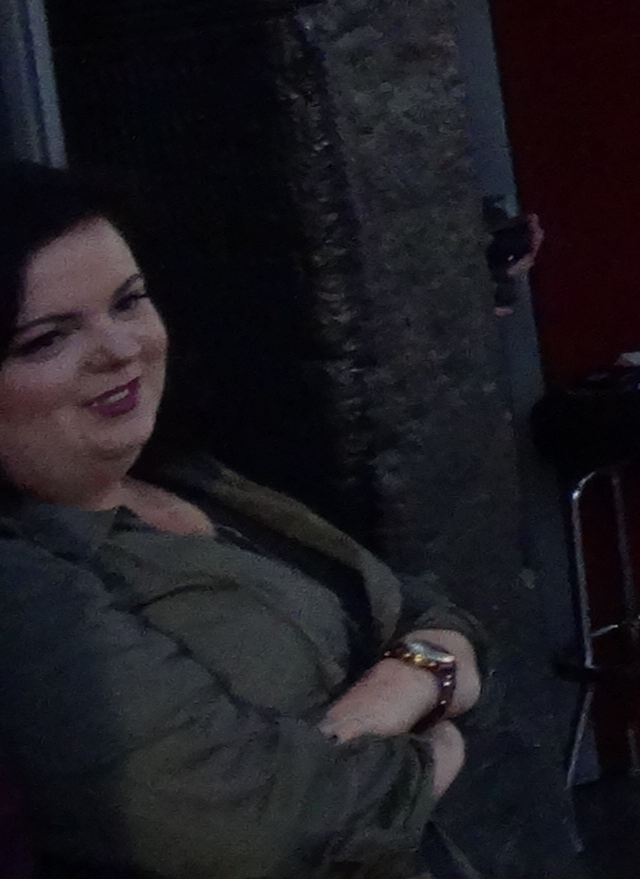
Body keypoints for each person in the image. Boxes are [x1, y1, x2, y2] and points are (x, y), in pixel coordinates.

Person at [1, 167, 493, 879]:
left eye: (129, 301)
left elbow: (429, 615)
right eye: (47, 339)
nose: (120, 348)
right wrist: (433, 741)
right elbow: (257, 829)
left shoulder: (186, 478)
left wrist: (409, 681)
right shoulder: (23, 579)